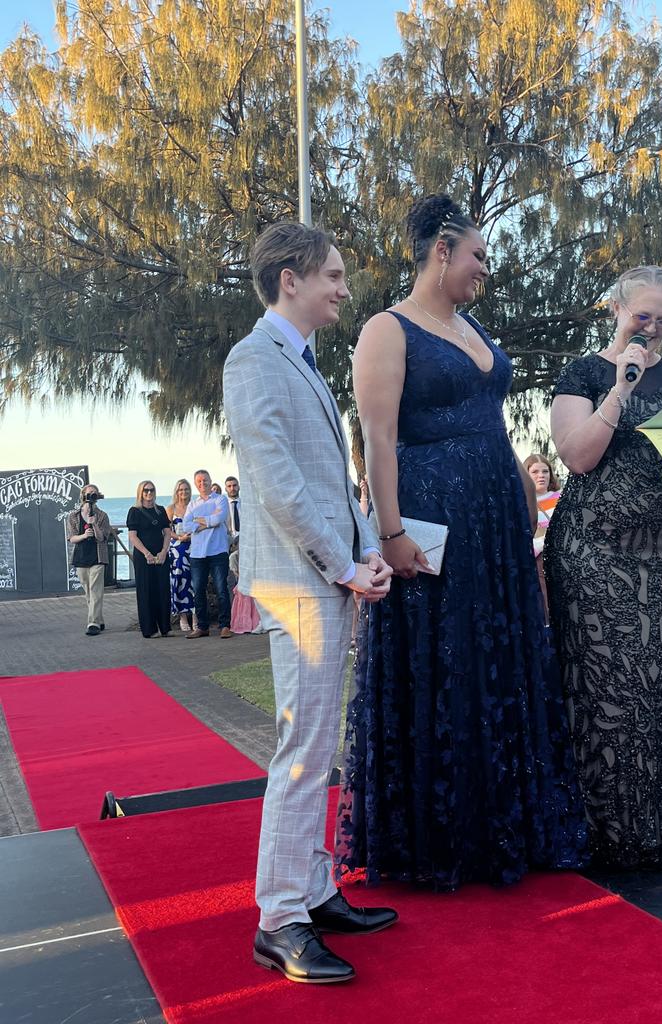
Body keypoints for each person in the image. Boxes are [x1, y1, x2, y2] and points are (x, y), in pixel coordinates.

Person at [335, 193, 587, 894]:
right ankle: (443, 835)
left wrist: (523, 512)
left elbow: (495, 426)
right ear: (442, 251)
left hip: (497, 521)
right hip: (430, 517)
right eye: (477, 255)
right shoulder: (386, 330)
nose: (484, 268)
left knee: (498, 656)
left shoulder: (469, 322)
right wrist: (390, 532)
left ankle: (509, 821)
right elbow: (377, 441)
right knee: (442, 659)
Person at [223, 220, 397, 985]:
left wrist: (365, 552)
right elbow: (279, 486)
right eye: (331, 274)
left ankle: (315, 889)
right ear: (289, 278)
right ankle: (280, 920)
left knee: (317, 744)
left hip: (322, 577)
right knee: (302, 750)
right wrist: (345, 565)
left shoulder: (299, 361)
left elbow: (331, 479)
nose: (341, 288)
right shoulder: (253, 360)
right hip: (298, 584)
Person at [546, 264, 662, 872]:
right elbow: (579, 456)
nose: (653, 328)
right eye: (643, 315)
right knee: (602, 693)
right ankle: (599, 834)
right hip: (597, 553)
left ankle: (661, 832)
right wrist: (620, 387)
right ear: (615, 307)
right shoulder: (585, 372)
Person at [182, 470, 233, 639]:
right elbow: (186, 526)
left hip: (217, 551)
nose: (202, 483)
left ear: (210, 481)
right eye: (198, 481)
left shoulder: (220, 499)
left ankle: (225, 625)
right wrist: (207, 522)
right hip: (197, 553)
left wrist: (198, 520)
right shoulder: (192, 505)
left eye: (205, 480)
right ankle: (202, 627)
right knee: (198, 590)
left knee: (221, 589)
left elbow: (219, 519)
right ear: (195, 484)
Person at [126, 481, 172, 639]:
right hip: (143, 556)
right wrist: (146, 553)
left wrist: (164, 551)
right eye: (146, 490)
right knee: (146, 591)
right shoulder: (134, 511)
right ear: (140, 492)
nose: (149, 493)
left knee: (163, 590)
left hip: (161, 555)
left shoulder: (160, 511)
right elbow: (133, 536)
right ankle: (149, 628)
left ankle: (165, 627)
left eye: (152, 490)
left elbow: (167, 532)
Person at [66, 484, 112, 636]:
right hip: (81, 557)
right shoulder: (73, 516)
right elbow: (72, 538)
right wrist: (84, 535)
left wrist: (94, 524)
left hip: (98, 557)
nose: (92, 496)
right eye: (89, 493)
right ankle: (99, 619)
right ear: (83, 495)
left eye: (94, 493)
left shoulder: (102, 516)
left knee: (96, 591)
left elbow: (103, 537)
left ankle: (92, 623)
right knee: (88, 592)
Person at [523, 452, 562, 618]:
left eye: (545, 471)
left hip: (561, 557)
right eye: (535, 472)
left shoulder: (560, 498)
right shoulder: (521, 504)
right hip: (536, 562)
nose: (541, 476)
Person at [166, 479, 195, 632]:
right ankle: (183, 616)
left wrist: (190, 536)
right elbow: (166, 530)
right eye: (180, 490)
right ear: (176, 492)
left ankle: (196, 616)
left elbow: (199, 525)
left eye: (186, 489)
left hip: (194, 546)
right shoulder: (171, 509)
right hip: (177, 548)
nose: (183, 492)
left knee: (195, 580)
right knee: (179, 580)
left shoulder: (195, 506)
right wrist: (178, 538)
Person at [225, 476, 241, 543]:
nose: (232, 488)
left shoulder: (246, 504)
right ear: (226, 489)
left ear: (239, 487)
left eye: (234, 485)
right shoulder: (223, 506)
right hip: (227, 542)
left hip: (245, 539)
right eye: (229, 486)